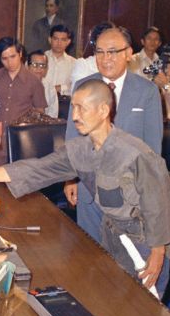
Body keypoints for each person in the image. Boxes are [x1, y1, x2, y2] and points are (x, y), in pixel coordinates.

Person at [0, 80, 170, 297]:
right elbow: (38, 168)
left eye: (82, 108)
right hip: (113, 238)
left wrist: (158, 252)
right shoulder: (81, 149)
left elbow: (158, 204)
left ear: (103, 110)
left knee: (145, 313)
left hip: (145, 245)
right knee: (116, 306)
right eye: (74, 107)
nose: (74, 116)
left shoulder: (134, 152)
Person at [64, 26, 164, 243]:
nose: (105, 58)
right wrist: (70, 178)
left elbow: (153, 148)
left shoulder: (146, 91)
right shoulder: (83, 85)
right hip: (89, 189)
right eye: (99, 52)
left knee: (126, 261)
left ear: (129, 54)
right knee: (89, 255)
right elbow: (73, 137)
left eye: (112, 51)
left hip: (129, 192)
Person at [0, 38, 46, 168]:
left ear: (20, 54)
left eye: (13, 56)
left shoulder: (34, 81)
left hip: (20, 135)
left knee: (18, 180)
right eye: (4, 58)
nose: (10, 62)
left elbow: (40, 111)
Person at [27, 50, 61, 118]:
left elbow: (53, 115)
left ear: (46, 69)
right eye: (35, 65)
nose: (39, 68)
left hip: (43, 126)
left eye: (43, 65)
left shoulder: (50, 88)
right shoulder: (19, 85)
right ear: (27, 66)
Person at [45, 24, 76, 97]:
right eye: (56, 39)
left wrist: (60, 88)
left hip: (64, 104)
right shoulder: (40, 59)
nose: (59, 43)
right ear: (50, 40)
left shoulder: (74, 63)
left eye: (63, 40)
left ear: (68, 42)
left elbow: (76, 86)